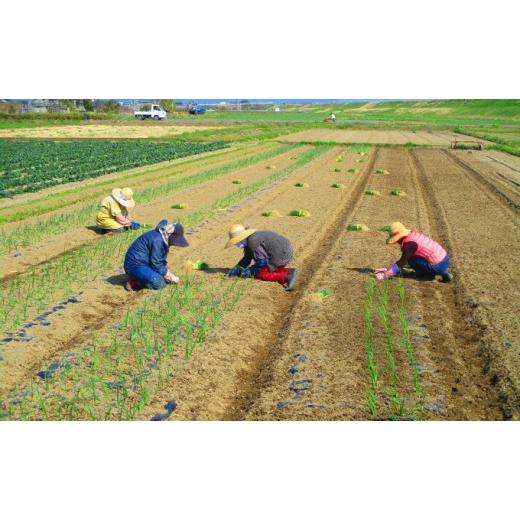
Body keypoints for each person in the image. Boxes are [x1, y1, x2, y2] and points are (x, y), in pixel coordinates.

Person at [225, 223, 298, 291]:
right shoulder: (249, 240)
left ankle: (286, 277)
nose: (236, 244)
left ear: (242, 238)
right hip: (285, 251)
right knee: (266, 269)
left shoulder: (252, 241)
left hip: (282, 254)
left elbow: (262, 262)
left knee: (262, 274)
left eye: (237, 241)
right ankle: (289, 271)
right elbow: (247, 258)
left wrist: (251, 270)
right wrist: (237, 268)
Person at [374, 222, 453, 282]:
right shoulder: (412, 236)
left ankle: (428, 276)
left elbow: (402, 262)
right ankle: (443, 273)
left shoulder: (409, 245)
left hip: (438, 265)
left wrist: (386, 274)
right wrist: (389, 268)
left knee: (411, 259)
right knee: (412, 257)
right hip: (444, 259)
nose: (396, 242)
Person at [124, 219, 189, 291]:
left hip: (146, 263)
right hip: (135, 266)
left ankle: (142, 276)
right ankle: (134, 281)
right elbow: (156, 263)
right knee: (159, 283)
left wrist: (166, 272)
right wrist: (169, 275)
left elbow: (160, 259)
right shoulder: (158, 240)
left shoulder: (162, 236)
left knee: (165, 278)